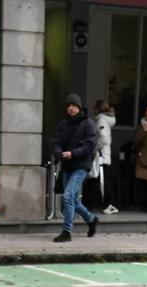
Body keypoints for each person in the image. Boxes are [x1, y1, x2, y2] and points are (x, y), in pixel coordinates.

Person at [51, 93, 98, 243]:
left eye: (73, 105)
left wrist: (72, 153)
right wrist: (59, 152)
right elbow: (56, 141)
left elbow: (90, 146)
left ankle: (67, 232)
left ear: (79, 106)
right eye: (68, 106)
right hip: (67, 165)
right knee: (72, 200)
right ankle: (91, 220)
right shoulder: (63, 124)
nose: (71, 108)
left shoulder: (88, 123)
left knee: (68, 196)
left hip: (81, 166)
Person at [92, 99, 118, 214]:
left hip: (101, 155)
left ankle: (111, 204)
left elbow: (102, 138)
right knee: (104, 180)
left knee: (104, 181)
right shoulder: (105, 120)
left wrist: (94, 149)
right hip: (104, 155)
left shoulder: (101, 121)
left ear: (98, 109)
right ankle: (109, 203)